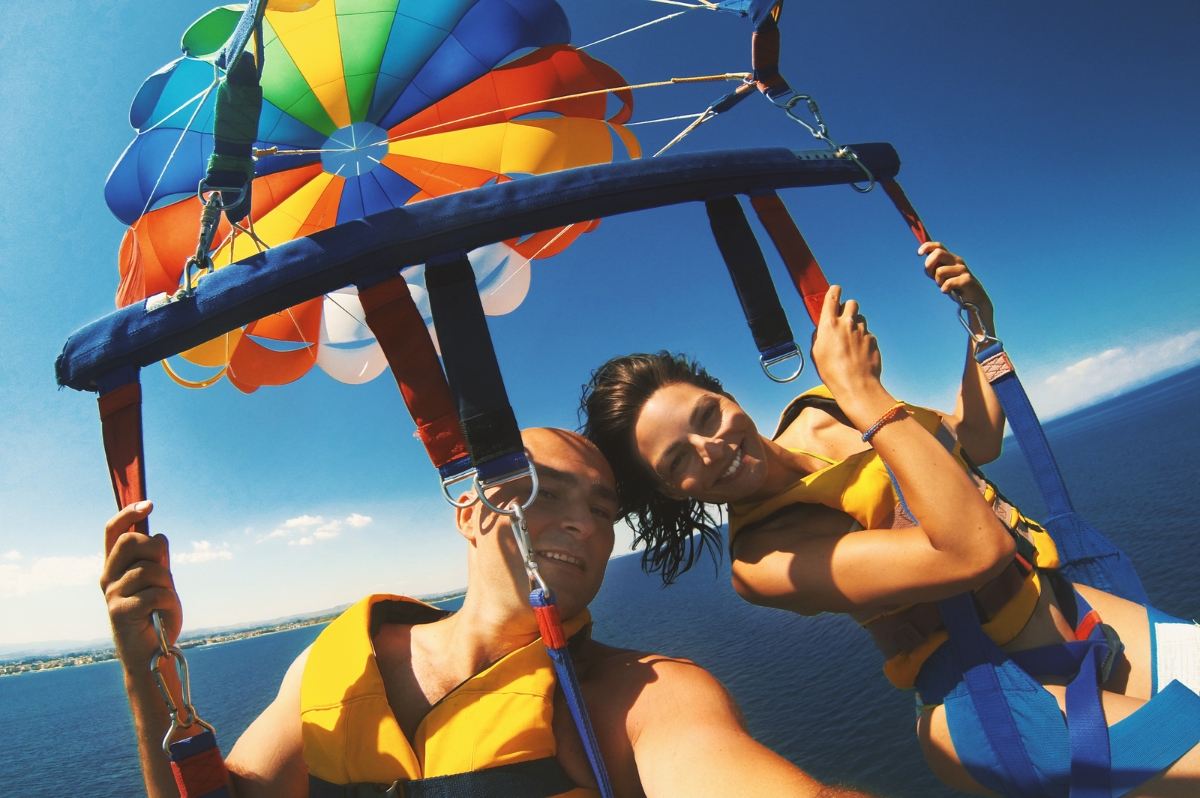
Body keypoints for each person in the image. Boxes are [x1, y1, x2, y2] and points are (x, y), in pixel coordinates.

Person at [580, 243, 1200, 797]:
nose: (711, 449)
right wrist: (867, 395)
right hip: (998, 697)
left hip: (1069, 609)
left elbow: (973, 444)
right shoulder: (764, 559)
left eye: (706, 416)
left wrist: (979, 327)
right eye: (679, 459)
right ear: (671, 492)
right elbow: (971, 552)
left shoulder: (825, 411)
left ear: (729, 396)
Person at [102, 427, 878, 798]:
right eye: (539, 489)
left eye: (603, 510)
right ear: (468, 513)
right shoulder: (334, 665)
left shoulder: (634, 700)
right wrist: (148, 676)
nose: (580, 521)